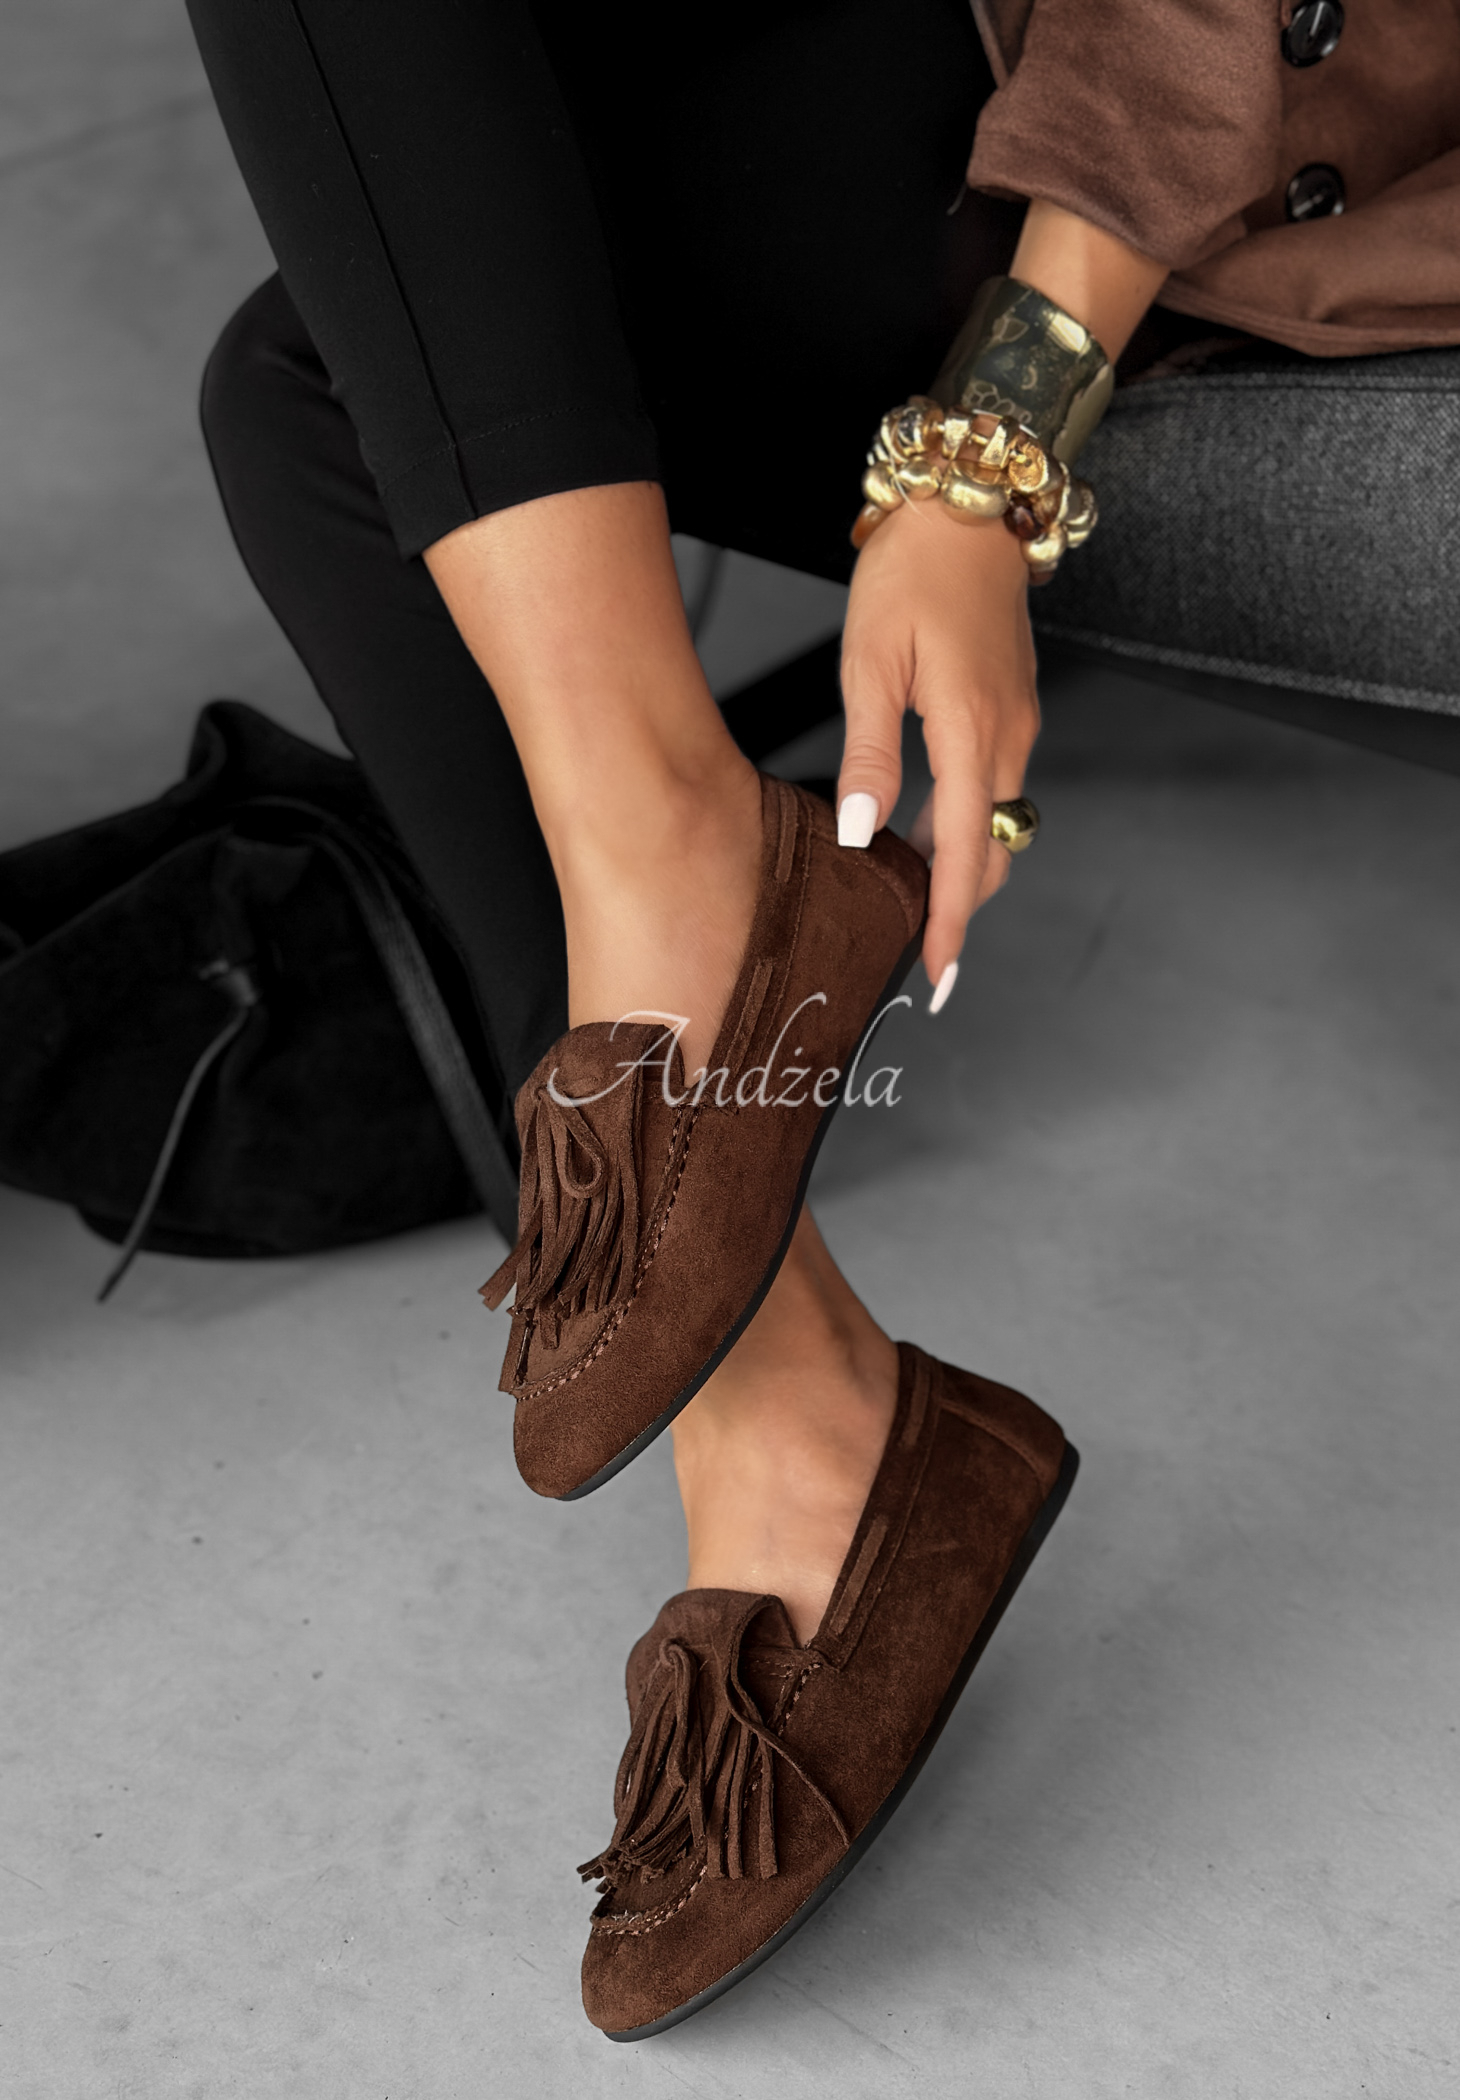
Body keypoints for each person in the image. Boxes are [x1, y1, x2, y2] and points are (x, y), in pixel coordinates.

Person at [185, 0, 1460, 2037]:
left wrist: (985, 457)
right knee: (341, 329)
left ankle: (765, 1274)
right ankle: (773, 1353)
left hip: (1246, 100)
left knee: (333, 377)